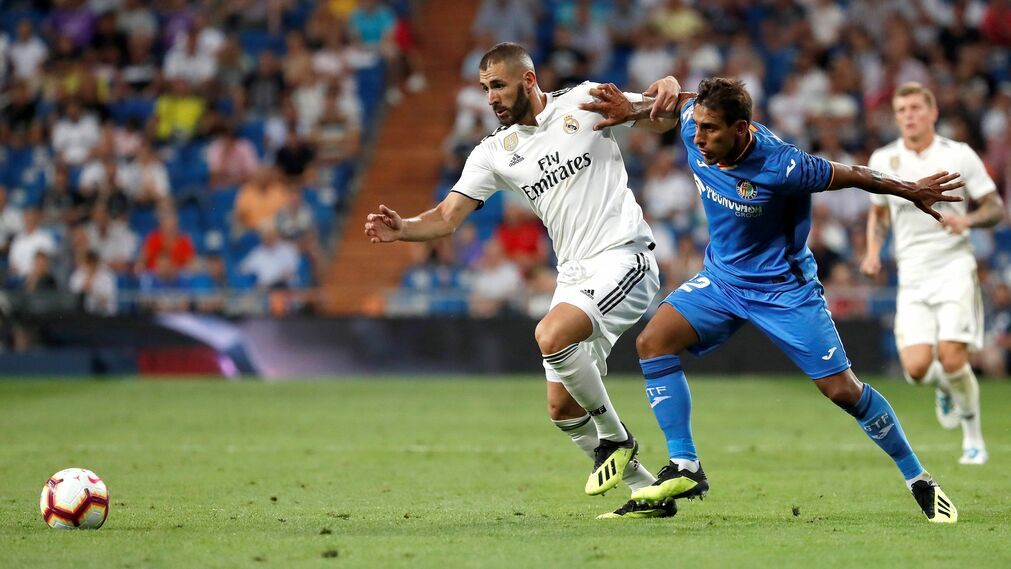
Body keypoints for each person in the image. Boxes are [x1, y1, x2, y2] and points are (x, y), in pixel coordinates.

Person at [581, 75, 963, 523]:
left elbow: (856, 174)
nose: (698, 138)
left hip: (784, 290)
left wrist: (910, 189)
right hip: (722, 281)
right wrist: (639, 110)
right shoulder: (691, 122)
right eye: (699, 127)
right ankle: (686, 465)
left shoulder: (785, 166)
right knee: (653, 342)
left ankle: (917, 477)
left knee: (842, 391)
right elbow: (681, 100)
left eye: (712, 130)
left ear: (742, 128)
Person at [365, 42, 668, 519]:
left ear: (528, 80)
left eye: (499, 86)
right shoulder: (494, 154)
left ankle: (616, 436)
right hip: (574, 274)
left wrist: (661, 97)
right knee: (562, 410)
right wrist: (403, 229)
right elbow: (446, 218)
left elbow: (662, 118)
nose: (491, 98)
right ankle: (648, 493)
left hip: (624, 257)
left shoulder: (584, 102)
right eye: (485, 88)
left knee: (549, 334)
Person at [861, 82, 1003, 466]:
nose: (908, 115)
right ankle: (945, 388)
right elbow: (879, 211)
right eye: (901, 109)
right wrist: (873, 253)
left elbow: (995, 207)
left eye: (914, 108)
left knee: (954, 357)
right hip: (912, 272)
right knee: (917, 369)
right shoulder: (884, 158)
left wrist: (968, 221)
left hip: (954, 265)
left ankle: (973, 439)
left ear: (932, 112)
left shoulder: (958, 155)